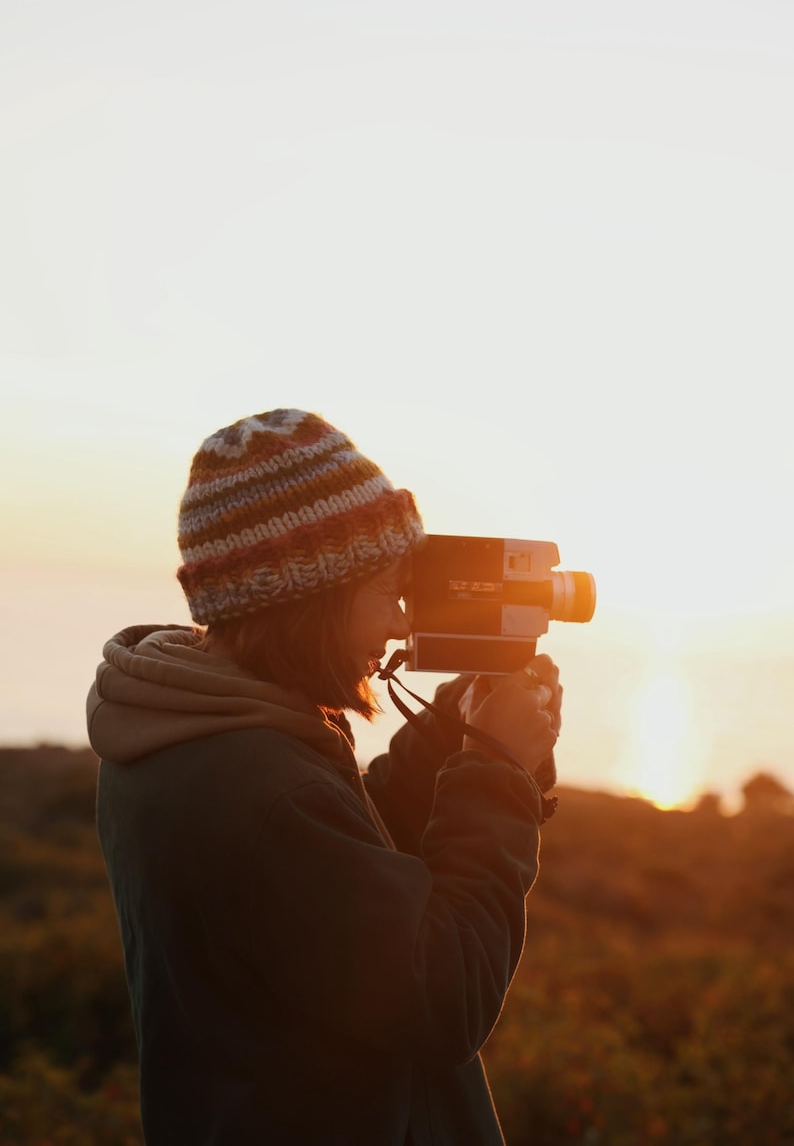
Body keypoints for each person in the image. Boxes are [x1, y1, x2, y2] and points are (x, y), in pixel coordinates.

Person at [87, 408, 563, 1146]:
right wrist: (496, 772)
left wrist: (447, 736)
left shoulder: (191, 731)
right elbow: (442, 992)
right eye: (385, 591)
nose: (402, 622)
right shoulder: (264, 787)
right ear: (311, 598)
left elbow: (334, 880)